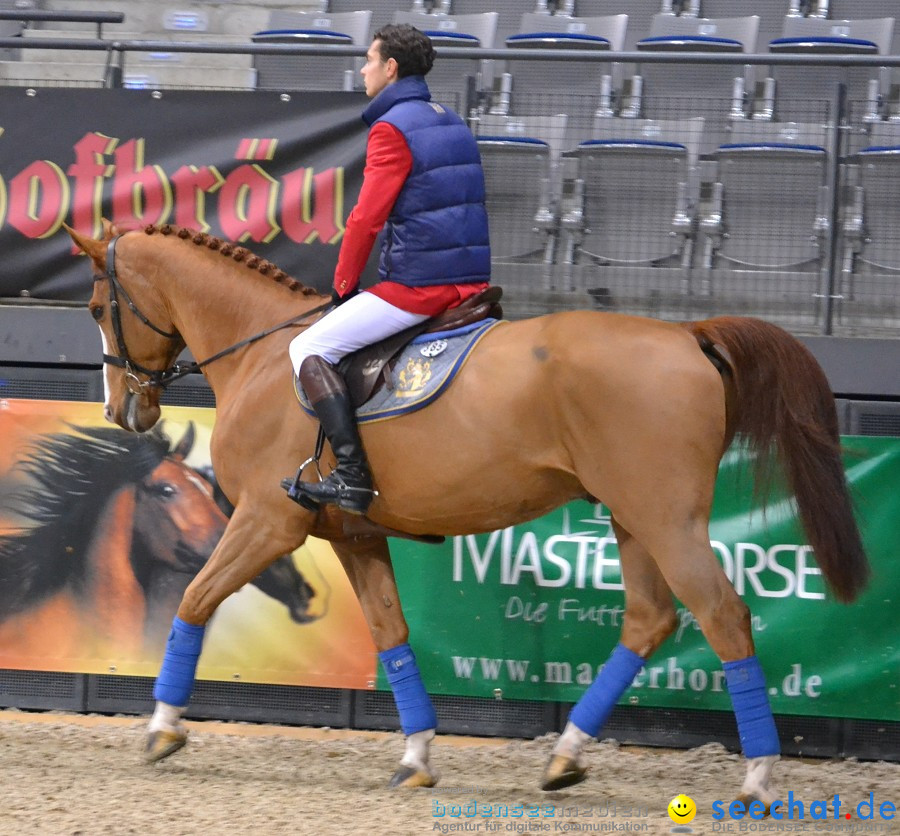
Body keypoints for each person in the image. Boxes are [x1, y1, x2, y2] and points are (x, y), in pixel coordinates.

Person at [285, 23, 491, 516]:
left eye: (369, 59)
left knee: (307, 345)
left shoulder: (391, 128)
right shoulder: (453, 120)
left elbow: (366, 219)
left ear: (391, 67)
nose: (362, 68)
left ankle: (351, 476)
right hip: (472, 280)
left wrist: (344, 286)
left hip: (420, 286)